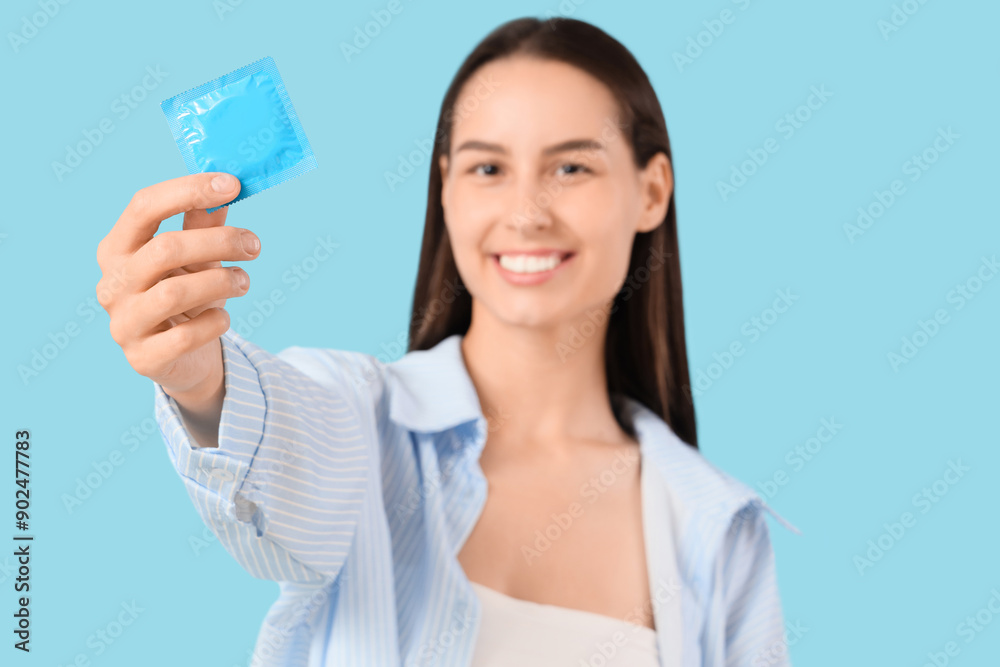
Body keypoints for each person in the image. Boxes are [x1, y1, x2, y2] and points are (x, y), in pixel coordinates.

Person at [96, 16, 798, 667]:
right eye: (488, 168)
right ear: (446, 190)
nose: (526, 214)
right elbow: (278, 453)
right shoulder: (362, 424)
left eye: (572, 167)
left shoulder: (718, 527)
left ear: (652, 190)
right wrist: (199, 380)